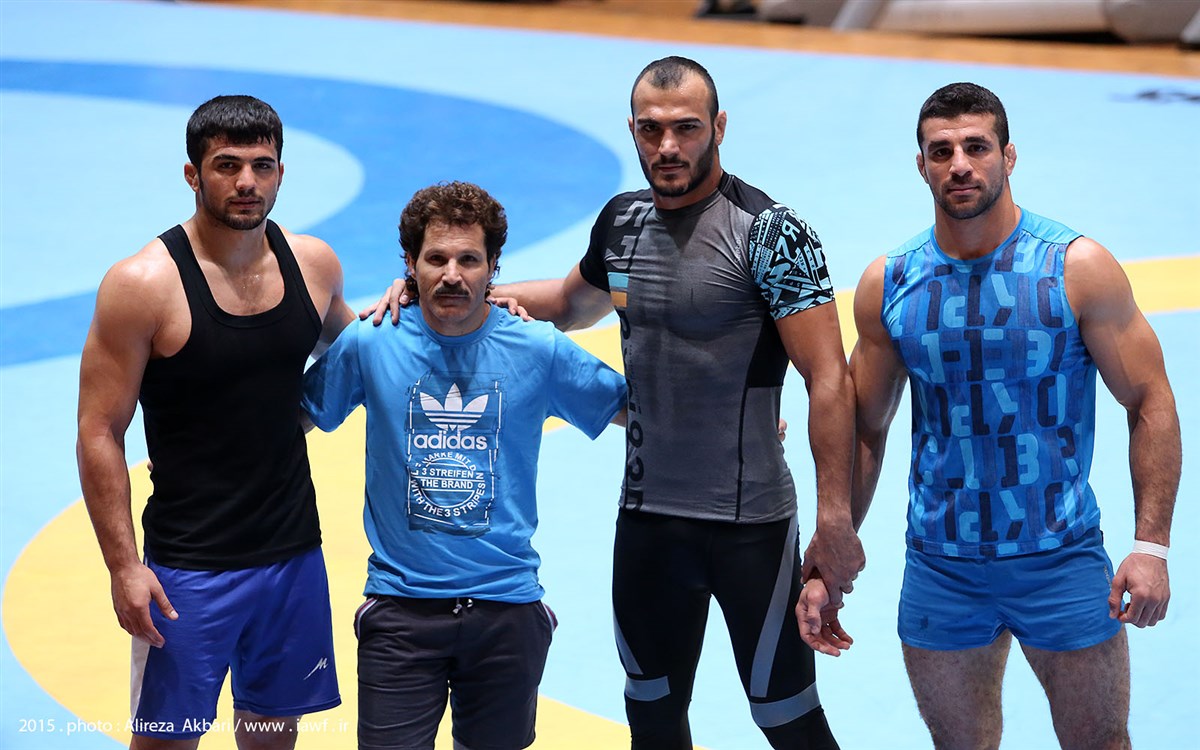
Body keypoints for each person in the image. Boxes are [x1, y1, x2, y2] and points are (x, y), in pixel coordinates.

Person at [371, 56, 863, 749]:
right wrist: (439, 291)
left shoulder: (771, 234)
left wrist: (835, 522)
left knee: (787, 717)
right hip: (648, 523)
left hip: (750, 527)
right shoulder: (623, 221)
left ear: (719, 127)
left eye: (687, 128)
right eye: (652, 130)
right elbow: (568, 303)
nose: (669, 146)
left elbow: (828, 377)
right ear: (632, 130)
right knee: (652, 716)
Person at [801, 82, 1181, 749]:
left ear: (1008, 156)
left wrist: (1150, 547)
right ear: (921, 165)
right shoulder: (891, 283)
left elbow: (1149, 399)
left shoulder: (1077, 269)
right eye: (941, 151)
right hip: (941, 567)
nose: (959, 165)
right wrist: (833, 545)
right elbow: (866, 426)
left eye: (976, 147)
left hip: (1061, 559)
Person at [302, 181, 627, 750]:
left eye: (469, 260)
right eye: (436, 259)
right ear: (410, 264)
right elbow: (294, 419)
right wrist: (199, 452)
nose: (452, 275)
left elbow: (635, 410)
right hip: (400, 611)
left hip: (507, 609)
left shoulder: (537, 348)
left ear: (493, 266)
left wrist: (736, 420)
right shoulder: (372, 341)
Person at [76, 95, 354, 749]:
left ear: (281, 173)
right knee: (167, 741)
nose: (247, 182)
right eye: (227, 165)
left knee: (273, 736)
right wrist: (123, 567)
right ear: (193, 175)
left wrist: (421, 302)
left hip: (292, 552)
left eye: (262, 165)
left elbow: (366, 356)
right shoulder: (142, 284)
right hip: (189, 567)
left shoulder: (313, 265)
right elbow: (99, 431)